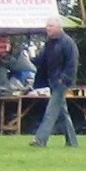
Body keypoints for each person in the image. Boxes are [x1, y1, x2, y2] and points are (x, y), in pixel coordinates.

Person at [29, 17, 80, 148]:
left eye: (51, 26)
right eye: (47, 26)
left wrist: (64, 78)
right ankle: (72, 142)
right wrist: (31, 56)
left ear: (59, 27)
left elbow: (72, 63)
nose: (48, 28)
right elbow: (41, 61)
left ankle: (40, 140)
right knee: (63, 113)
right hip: (52, 81)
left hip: (62, 82)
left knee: (50, 112)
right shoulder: (49, 43)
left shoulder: (68, 43)